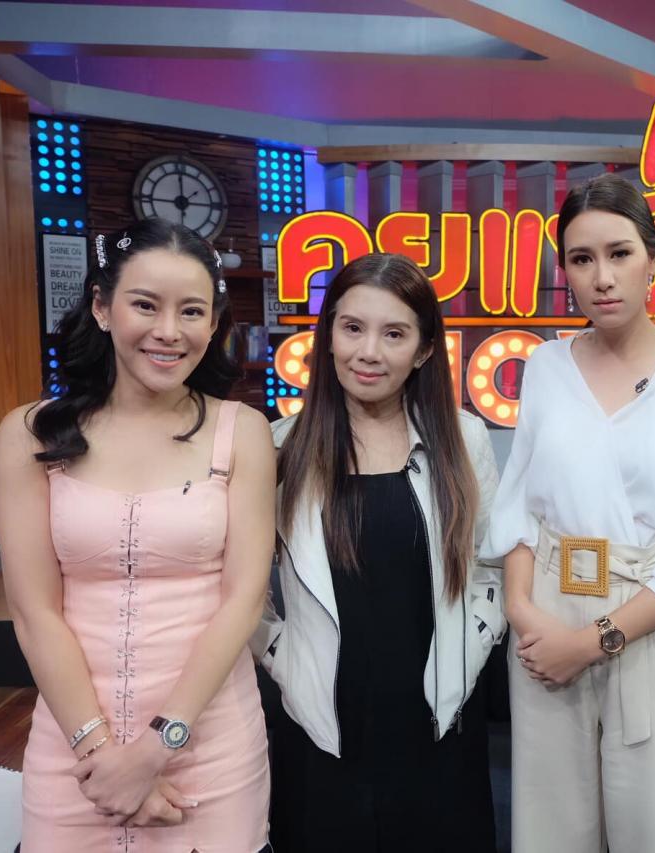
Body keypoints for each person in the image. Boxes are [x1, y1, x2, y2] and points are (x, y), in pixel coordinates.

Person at [482, 172, 655, 853]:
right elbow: (519, 504)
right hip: (546, 618)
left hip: (654, 620)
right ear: (565, 272)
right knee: (551, 827)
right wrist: (524, 613)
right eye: (582, 258)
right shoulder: (546, 366)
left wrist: (590, 643)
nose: (602, 277)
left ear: (654, 260)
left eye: (620, 253)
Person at [0, 219, 275, 851]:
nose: (169, 331)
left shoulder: (243, 432)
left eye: (192, 311)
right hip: (74, 751)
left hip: (210, 744)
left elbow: (244, 601)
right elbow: (34, 612)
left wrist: (154, 750)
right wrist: (103, 758)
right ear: (101, 306)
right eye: (145, 305)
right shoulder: (31, 434)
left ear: (214, 324)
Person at [253, 252, 503, 852]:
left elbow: (490, 564)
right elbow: (243, 586)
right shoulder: (279, 447)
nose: (369, 352)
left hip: (440, 718)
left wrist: (468, 654)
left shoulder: (463, 439)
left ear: (423, 350)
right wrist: (282, 659)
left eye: (394, 334)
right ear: (327, 335)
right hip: (321, 723)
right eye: (352, 327)